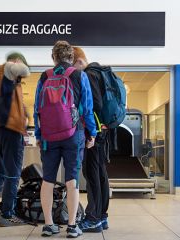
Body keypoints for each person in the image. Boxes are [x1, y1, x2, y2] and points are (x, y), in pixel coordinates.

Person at [34, 41, 97, 238]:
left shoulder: (44, 76)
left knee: (48, 180)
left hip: (48, 136)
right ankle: (71, 226)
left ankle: (49, 225)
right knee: (72, 180)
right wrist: (92, 133)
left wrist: (38, 134)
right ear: (71, 57)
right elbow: (87, 108)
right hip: (74, 134)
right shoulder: (80, 75)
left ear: (54, 58)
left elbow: (37, 109)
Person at [0, 52, 30, 227]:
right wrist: (18, 64)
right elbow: (25, 70)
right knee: (13, 173)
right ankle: (8, 214)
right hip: (10, 129)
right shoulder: (8, 68)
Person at [73, 46, 110, 232]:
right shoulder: (99, 72)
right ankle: (102, 216)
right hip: (102, 130)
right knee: (100, 173)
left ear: (79, 61)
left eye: (74, 66)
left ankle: (93, 217)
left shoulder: (88, 74)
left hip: (93, 132)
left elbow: (95, 103)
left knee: (92, 173)